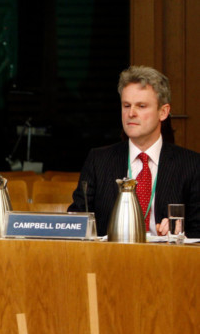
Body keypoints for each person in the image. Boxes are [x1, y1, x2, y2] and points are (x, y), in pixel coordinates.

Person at [68, 66, 200, 238]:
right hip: (109, 259)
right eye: (126, 105)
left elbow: (198, 229)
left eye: (141, 106)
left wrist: (180, 231)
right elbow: (77, 222)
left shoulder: (191, 165)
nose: (131, 113)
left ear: (163, 112)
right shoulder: (98, 160)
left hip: (167, 261)